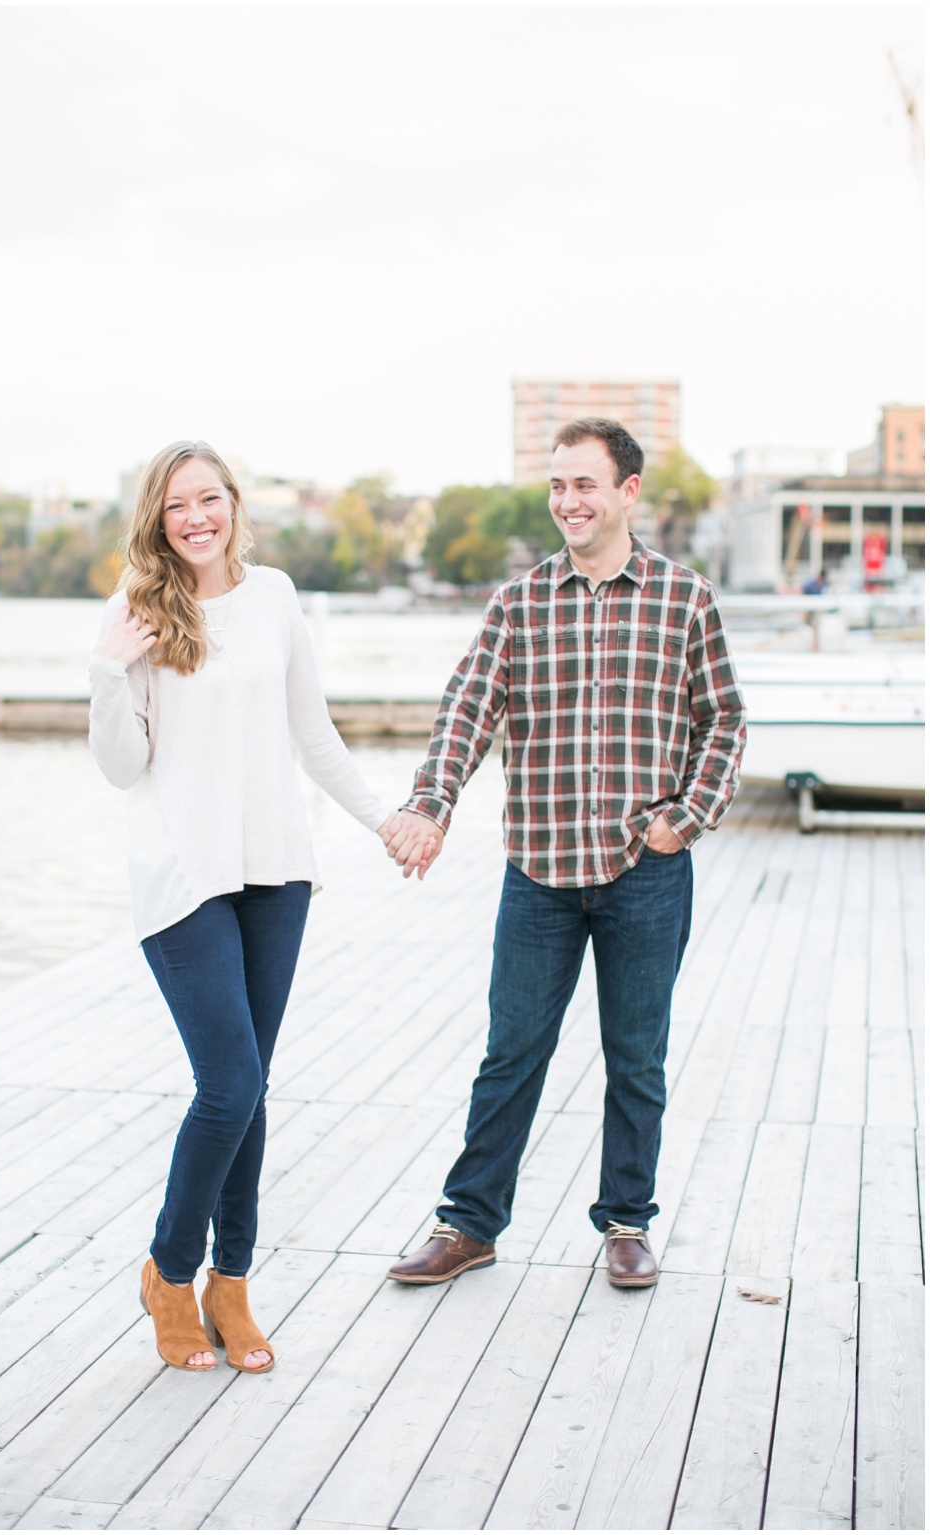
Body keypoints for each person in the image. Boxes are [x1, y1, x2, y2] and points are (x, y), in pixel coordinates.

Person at [380, 417, 745, 1290]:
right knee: (512, 1051)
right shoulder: (517, 603)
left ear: (627, 491)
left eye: (584, 484)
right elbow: (466, 712)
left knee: (637, 1055)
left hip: (644, 870)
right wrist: (430, 805)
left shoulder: (684, 599)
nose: (567, 501)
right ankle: (469, 1224)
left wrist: (683, 820)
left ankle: (626, 1221)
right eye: (556, 484)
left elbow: (724, 719)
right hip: (538, 871)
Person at [89, 441, 395, 1373]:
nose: (196, 517)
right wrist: (109, 668)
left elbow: (313, 729)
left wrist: (386, 819)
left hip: (276, 870)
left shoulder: (276, 597)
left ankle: (234, 1282)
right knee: (227, 1084)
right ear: (157, 515)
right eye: (177, 504)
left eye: (209, 499)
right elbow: (120, 767)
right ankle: (171, 1274)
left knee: (252, 1087)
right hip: (182, 877)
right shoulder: (136, 611)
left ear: (232, 505)